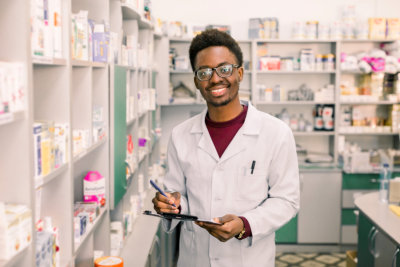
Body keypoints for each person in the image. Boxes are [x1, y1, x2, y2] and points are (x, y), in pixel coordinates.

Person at [152, 29, 300, 267]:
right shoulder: (181, 135)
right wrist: (172, 204)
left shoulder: (276, 133)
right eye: (204, 72)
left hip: (249, 259)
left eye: (224, 69)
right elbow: (179, 196)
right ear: (196, 81)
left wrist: (245, 224)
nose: (215, 78)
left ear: (239, 73)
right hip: (195, 258)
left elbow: (287, 200)